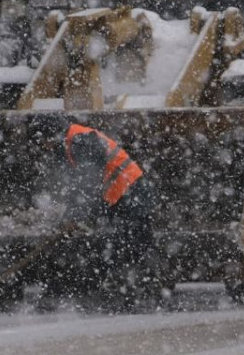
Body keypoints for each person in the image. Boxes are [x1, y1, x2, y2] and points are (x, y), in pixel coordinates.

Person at [27, 114, 164, 311]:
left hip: (132, 194)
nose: (44, 148)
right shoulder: (70, 142)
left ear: (51, 135)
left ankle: (143, 295)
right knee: (125, 246)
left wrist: (74, 215)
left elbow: (87, 183)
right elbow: (78, 186)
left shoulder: (81, 140)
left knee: (132, 246)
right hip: (121, 196)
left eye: (43, 142)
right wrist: (68, 215)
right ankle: (136, 293)